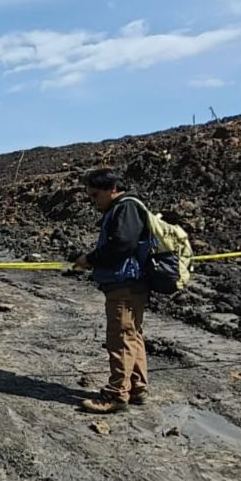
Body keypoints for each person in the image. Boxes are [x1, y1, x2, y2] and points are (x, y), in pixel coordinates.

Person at [72, 169, 151, 414]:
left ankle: (117, 395)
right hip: (131, 283)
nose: (93, 202)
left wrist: (91, 259)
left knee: (120, 338)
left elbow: (122, 245)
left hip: (124, 284)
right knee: (132, 335)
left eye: (96, 195)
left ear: (112, 189)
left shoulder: (125, 208)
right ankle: (136, 387)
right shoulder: (127, 207)